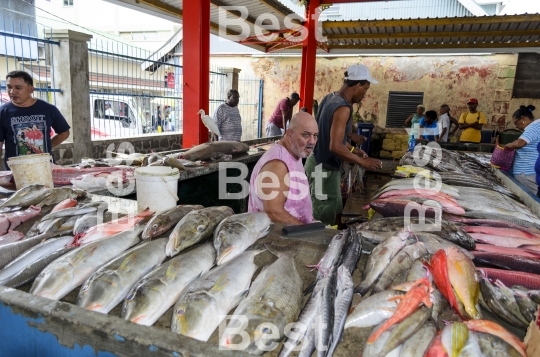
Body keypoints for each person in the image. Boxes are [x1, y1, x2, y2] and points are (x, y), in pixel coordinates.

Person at [304, 64, 382, 226]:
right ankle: (322, 245)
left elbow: (331, 136)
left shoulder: (330, 97)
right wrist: (362, 162)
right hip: (322, 168)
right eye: (366, 89)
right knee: (323, 214)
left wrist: (353, 149)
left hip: (320, 164)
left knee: (335, 206)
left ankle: (337, 231)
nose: (365, 94)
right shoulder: (343, 107)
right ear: (358, 85)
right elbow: (334, 146)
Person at [248, 112, 318, 224]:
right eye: (306, 135)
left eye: (315, 135)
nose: (312, 141)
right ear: (289, 134)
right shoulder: (278, 164)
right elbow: (273, 212)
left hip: (293, 234)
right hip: (277, 238)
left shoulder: (295, 152)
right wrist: (305, 229)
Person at [0, 71, 70, 169]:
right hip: (16, 171)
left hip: (45, 168)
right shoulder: (3, 112)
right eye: (9, 87)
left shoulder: (48, 109)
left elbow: (64, 133)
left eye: (18, 88)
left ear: (31, 89)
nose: (12, 91)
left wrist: (47, 146)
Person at [501, 105, 539, 195]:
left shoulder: (533, 127)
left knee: (528, 200)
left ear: (523, 118)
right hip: (531, 172)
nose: (517, 127)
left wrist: (507, 145)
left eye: (516, 123)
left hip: (526, 173)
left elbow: (520, 143)